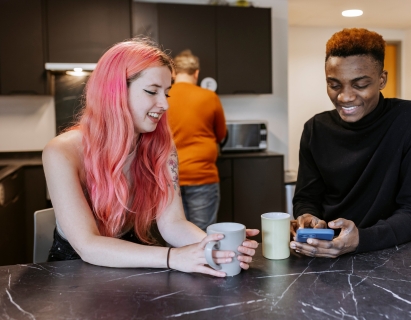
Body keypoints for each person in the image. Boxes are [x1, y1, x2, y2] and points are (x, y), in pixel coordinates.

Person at [42, 38, 258, 277]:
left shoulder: (162, 146)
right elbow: (88, 246)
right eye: (152, 91)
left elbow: (173, 224)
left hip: (133, 260)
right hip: (71, 273)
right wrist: (173, 257)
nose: (164, 104)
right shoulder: (61, 152)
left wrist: (216, 247)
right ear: (114, 91)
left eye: (166, 93)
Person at [290, 28, 411, 258]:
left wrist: (361, 239)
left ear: (382, 80)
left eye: (360, 85)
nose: (345, 97)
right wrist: (308, 218)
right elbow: (306, 198)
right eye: (334, 84)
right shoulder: (315, 129)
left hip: (393, 255)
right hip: (329, 254)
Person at [167, 50, 227, 231]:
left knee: (175, 232)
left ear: (173, 73)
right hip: (202, 176)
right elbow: (221, 134)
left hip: (169, 177)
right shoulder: (209, 97)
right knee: (203, 234)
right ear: (196, 73)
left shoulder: (162, 97)